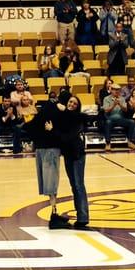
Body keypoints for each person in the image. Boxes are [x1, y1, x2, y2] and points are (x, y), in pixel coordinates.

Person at [23, 93, 71, 230]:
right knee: (52, 183)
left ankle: (54, 212)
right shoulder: (59, 113)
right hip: (51, 150)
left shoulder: (42, 112)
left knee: (49, 183)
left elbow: (27, 127)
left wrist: (37, 137)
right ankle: (54, 215)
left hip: (40, 150)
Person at [45, 95, 90, 229]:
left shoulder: (77, 119)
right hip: (68, 155)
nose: (71, 104)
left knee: (78, 185)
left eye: (75, 103)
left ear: (78, 106)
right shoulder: (65, 117)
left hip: (77, 155)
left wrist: (53, 130)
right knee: (74, 185)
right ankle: (81, 216)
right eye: (70, 101)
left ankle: (83, 218)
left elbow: (67, 138)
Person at [103, 83, 135, 152]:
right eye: (115, 90)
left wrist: (120, 104)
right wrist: (114, 105)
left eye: (118, 90)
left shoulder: (122, 99)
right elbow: (106, 110)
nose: (117, 91)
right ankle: (107, 143)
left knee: (132, 122)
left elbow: (125, 110)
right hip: (110, 118)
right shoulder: (106, 99)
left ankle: (130, 142)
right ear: (111, 90)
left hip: (121, 118)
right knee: (107, 123)